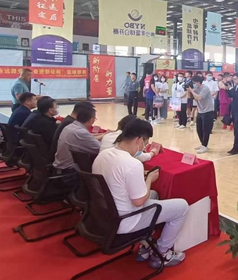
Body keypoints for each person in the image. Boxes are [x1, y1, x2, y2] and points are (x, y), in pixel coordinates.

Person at [92, 119, 188, 268]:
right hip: (125, 220)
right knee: (182, 206)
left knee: (154, 194)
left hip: (104, 215)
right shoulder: (132, 164)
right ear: (138, 140)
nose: (144, 148)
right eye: (145, 143)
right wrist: (149, 179)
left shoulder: (103, 155)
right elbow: (139, 202)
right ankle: (161, 253)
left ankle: (145, 246)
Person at [53, 106, 101, 173]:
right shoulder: (81, 132)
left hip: (62, 168)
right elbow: (101, 149)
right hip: (69, 172)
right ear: (91, 119)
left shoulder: (70, 127)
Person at [187, 75, 214, 154]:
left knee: (205, 130)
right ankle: (202, 144)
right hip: (200, 111)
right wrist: (188, 90)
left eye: (194, 83)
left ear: (198, 82)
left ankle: (205, 146)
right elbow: (189, 97)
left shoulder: (205, 88)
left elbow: (199, 98)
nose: (193, 84)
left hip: (208, 111)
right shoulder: (196, 89)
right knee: (199, 129)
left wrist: (191, 91)